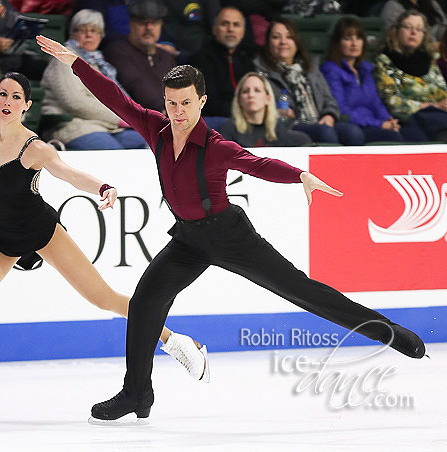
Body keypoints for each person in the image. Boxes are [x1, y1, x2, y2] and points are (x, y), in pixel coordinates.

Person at [37, 34, 426, 422]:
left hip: (230, 236)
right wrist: (76, 63)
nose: (178, 111)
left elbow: (255, 164)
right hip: (189, 239)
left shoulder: (215, 145)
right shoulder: (155, 129)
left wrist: (300, 175)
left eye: (186, 103)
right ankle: (137, 392)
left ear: (202, 101)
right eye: (171, 103)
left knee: (301, 290)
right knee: (144, 302)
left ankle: (389, 332)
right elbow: (117, 100)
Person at [0, 23, 207, 411]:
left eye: (16, 97)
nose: (8, 100)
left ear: (27, 105)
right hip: (2, 237)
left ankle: (176, 341)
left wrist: (101, 188)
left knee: (103, 298)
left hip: (41, 230)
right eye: (3, 94)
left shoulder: (34, 148)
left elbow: (68, 173)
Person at [40, 9, 148, 150]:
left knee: (149, 143)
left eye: (94, 30)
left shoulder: (98, 63)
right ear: (73, 33)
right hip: (74, 125)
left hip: (107, 126)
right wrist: (119, 119)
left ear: (100, 36)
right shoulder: (63, 58)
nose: (89, 34)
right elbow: (75, 102)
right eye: (83, 29)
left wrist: (131, 117)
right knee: (114, 153)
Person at [254, 17, 365, 145]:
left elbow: (329, 99)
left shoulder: (311, 68)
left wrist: (330, 115)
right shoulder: (262, 73)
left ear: (296, 42)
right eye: (276, 37)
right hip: (290, 125)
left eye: (289, 37)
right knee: (325, 133)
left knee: (353, 133)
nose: (283, 42)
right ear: (268, 43)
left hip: (319, 121)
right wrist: (278, 112)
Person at [321, 17, 426, 143]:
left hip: (375, 123)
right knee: (392, 137)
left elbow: (376, 103)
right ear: (338, 43)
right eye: (348, 39)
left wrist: (388, 120)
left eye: (358, 38)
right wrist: (379, 124)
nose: (354, 44)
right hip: (355, 125)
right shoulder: (331, 69)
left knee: (417, 135)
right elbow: (342, 110)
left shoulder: (366, 68)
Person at [374, 10, 447, 141]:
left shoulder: (431, 60)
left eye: (419, 29)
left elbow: (442, 92)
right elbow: (393, 103)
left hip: (439, 117)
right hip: (410, 120)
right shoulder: (385, 61)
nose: (413, 32)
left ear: (424, 34)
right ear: (397, 30)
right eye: (408, 27)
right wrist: (427, 106)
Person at [188, 6, 257, 129]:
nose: (230, 29)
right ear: (214, 29)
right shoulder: (201, 59)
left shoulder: (247, 61)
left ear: (243, 32)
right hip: (217, 122)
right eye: (225, 24)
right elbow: (209, 104)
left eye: (236, 25)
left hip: (245, 119)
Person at [103, 0, 176, 112]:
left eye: (154, 23)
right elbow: (136, 83)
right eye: (142, 23)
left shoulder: (167, 56)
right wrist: (165, 109)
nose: (149, 28)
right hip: (142, 120)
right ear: (131, 24)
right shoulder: (117, 52)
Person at [220, 72, 311, 146]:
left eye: (257, 90)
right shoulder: (228, 129)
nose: (251, 95)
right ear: (239, 100)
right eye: (245, 91)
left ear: (267, 98)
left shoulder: (277, 129)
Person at [381, 0, 447, 42]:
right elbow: (394, 36)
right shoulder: (393, 6)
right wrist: (433, 45)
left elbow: (443, 24)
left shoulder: (431, 2)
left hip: (439, 49)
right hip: (409, 51)